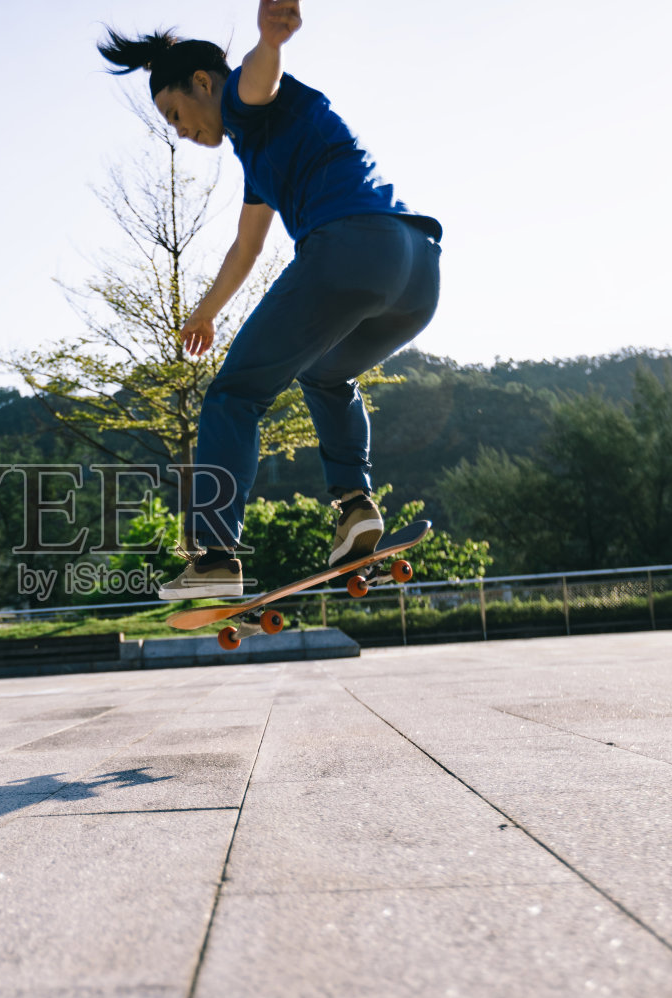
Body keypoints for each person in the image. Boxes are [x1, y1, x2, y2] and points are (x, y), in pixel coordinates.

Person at [97, 1, 442, 600]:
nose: (178, 130)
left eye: (175, 113)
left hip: (348, 250)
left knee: (233, 395)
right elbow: (245, 247)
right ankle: (356, 504)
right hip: (414, 269)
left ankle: (213, 558)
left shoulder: (243, 105)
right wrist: (207, 309)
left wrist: (270, 38)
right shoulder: (258, 153)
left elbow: (258, 77)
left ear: (203, 83)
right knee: (327, 373)